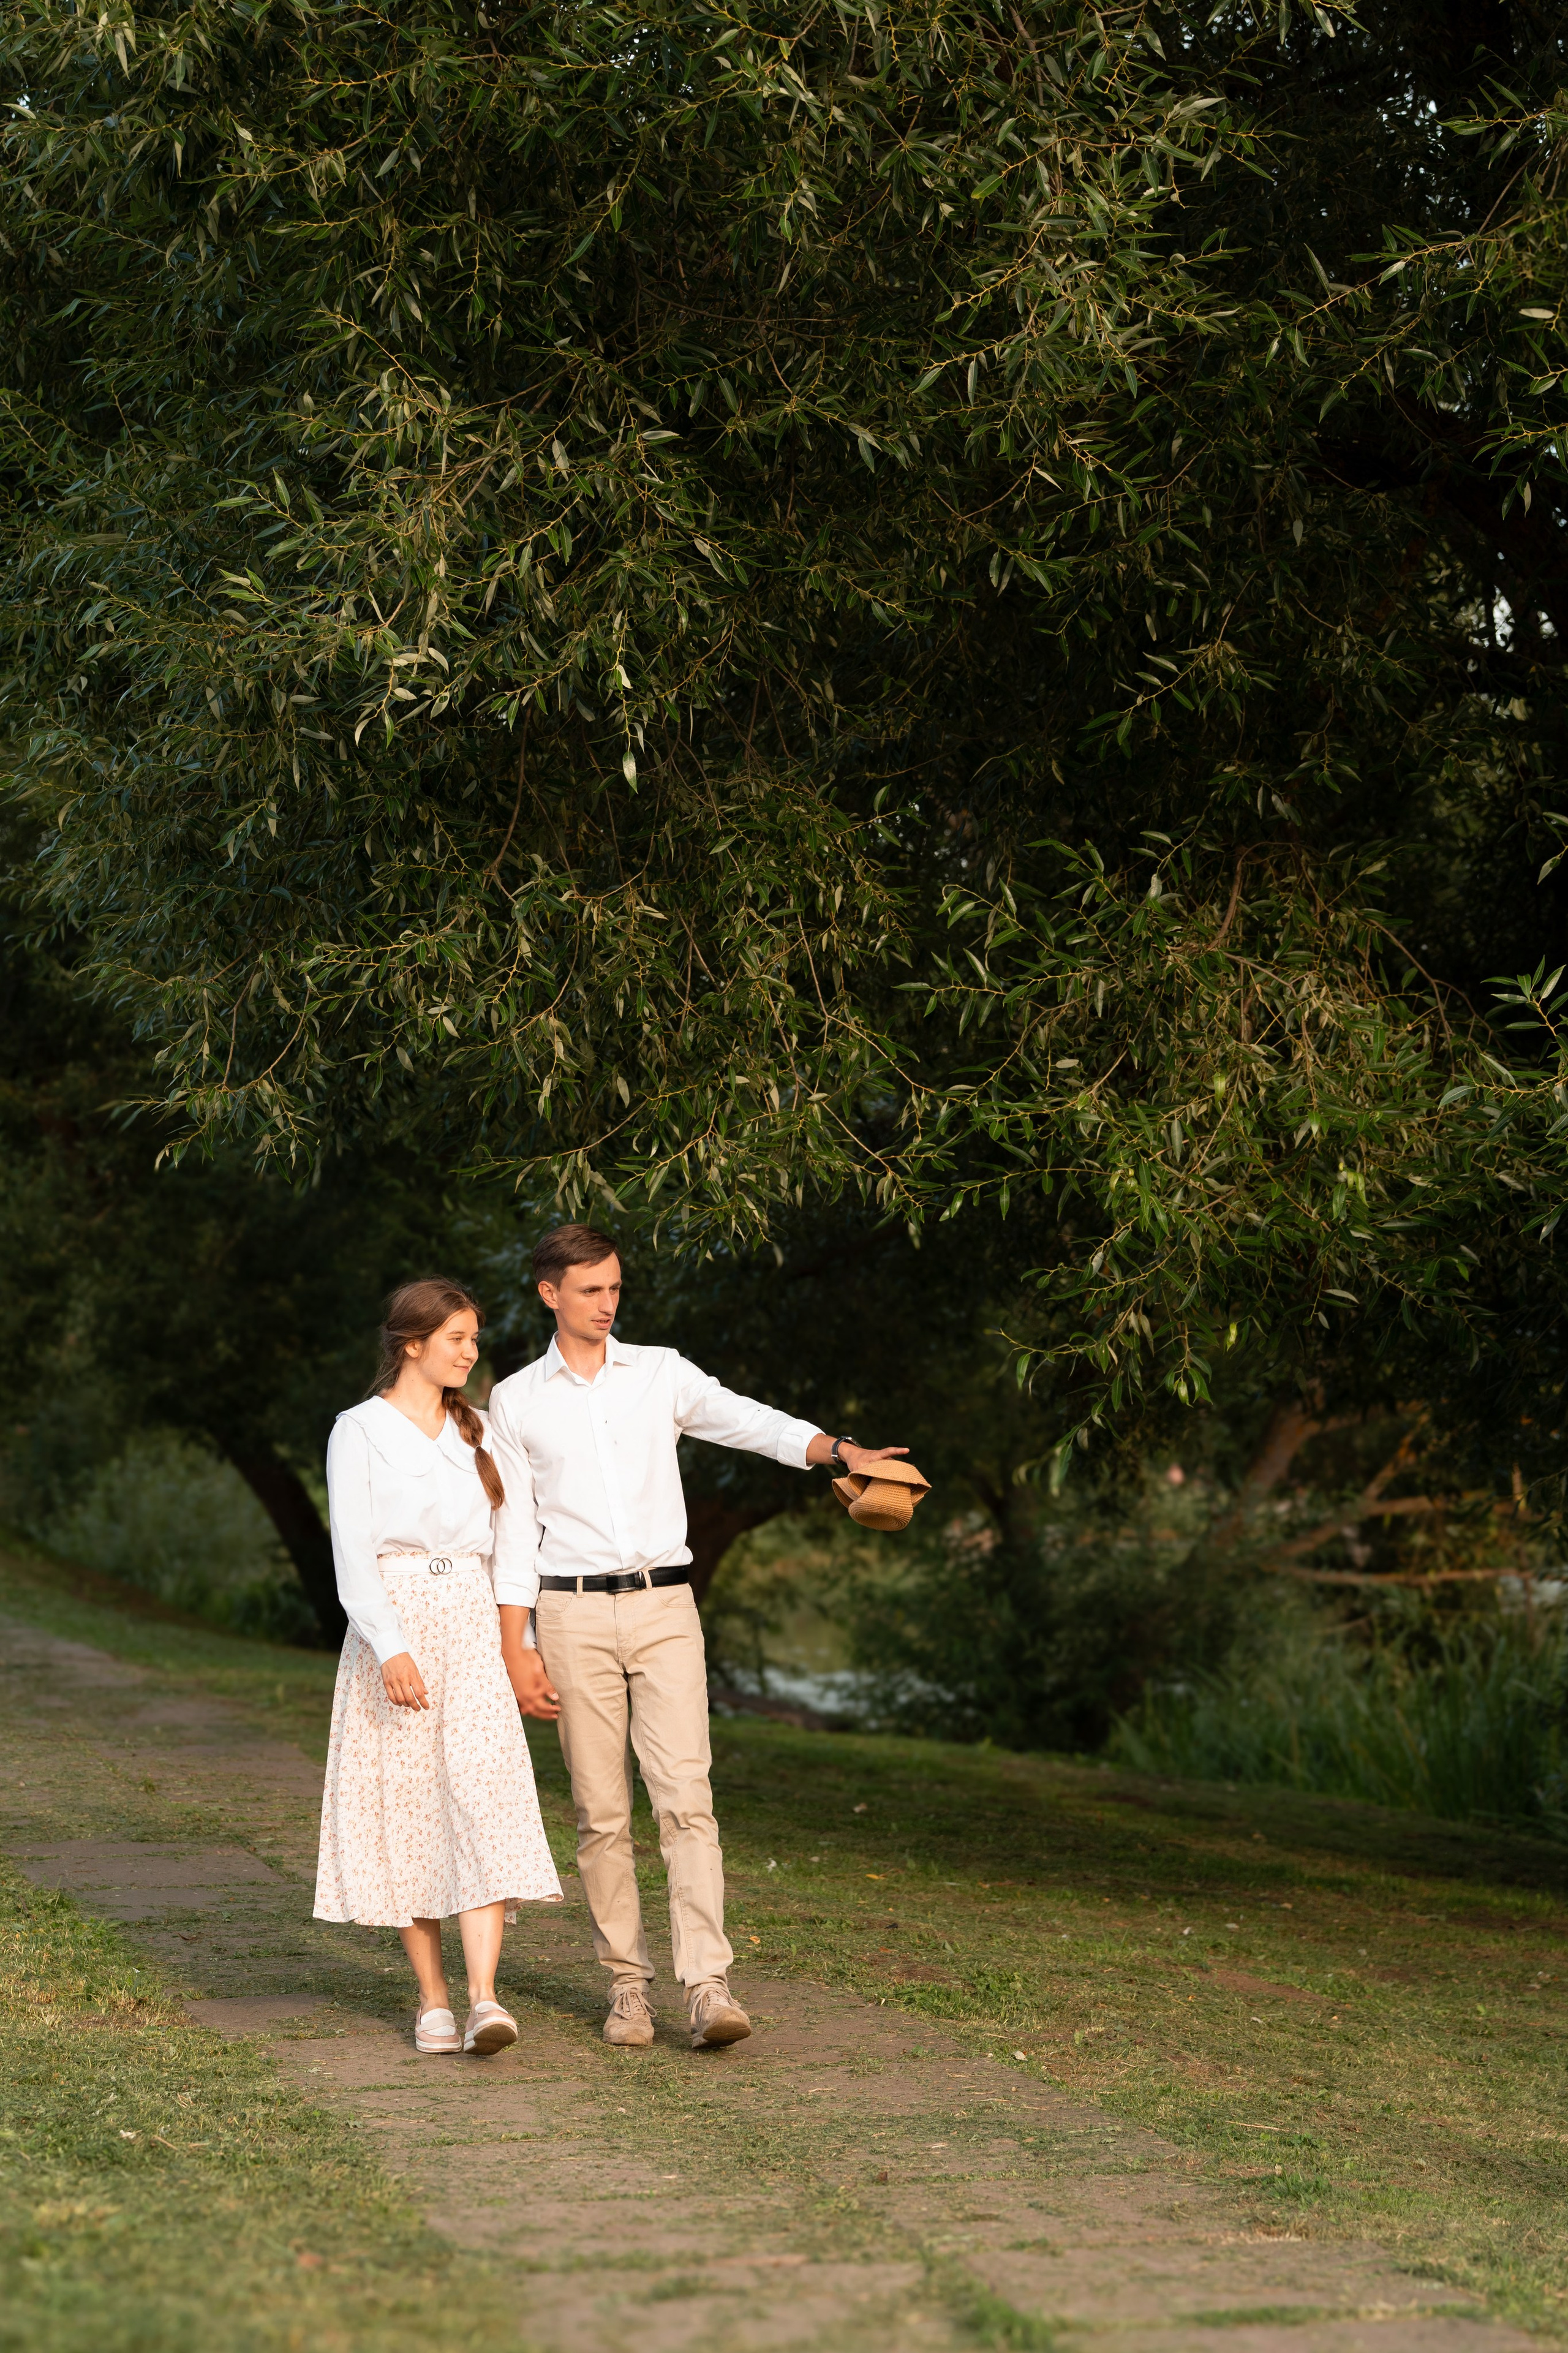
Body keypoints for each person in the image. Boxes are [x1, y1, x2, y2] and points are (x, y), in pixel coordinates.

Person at [486, 1225, 907, 2052]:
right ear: (549, 1294)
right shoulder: (517, 1400)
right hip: (568, 1613)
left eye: (615, 1288)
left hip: (664, 1609)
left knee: (687, 1799)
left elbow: (746, 1421)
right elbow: (512, 1532)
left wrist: (837, 1450)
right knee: (601, 1811)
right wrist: (516, 1646)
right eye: (590, 1290)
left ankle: (707, 1986)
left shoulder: (662, 1373)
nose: (608, 1304)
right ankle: (627, 1988)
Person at [314, 1277, 562, 2057]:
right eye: (456, 1337)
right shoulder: (358, 1431)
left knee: (482, 1801)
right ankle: (433, 2001)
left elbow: (517, 1540)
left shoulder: (483, 1431)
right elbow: (351, 1549)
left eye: (474, 1338)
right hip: (396, 1627)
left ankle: (487, 1998)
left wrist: (514, 1640)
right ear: (411, 1343)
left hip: (473, 1628)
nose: (470, 1351)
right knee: (410, 1809)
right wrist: (389, 1644)